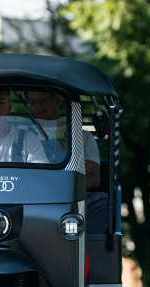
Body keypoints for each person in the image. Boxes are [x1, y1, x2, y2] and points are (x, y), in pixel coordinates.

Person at [26, 90, 108, 233]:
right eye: (33, 102)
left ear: (57, 100)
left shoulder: (83, 136)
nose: (38, 106)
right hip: (31, 197)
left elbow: (94, 178)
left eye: (43, 101)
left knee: (102, 203)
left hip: (75, 198)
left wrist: (55, 184)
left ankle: (86, 251)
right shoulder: (20, 134)